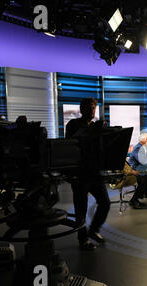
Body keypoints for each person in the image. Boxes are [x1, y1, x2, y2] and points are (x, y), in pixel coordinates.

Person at [65, 98, 110, 251]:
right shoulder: (73, 125)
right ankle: (83, 240)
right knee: (81, 209)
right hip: (79, 173)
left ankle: (93, 231)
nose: (92, 111)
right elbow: (70, 144)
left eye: (94, 108)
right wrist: (92, 132)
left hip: (94, 172)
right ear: (82, 109)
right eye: (90, 108)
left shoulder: (95, 126)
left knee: (105, 202)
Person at [128, 133, 147, 208]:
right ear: (142, 140)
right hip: (135, 168)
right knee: (143, 179)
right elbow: (142, 160)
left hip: (143, 166)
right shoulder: (137, 148)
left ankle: (146, 191)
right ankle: (133, 200)